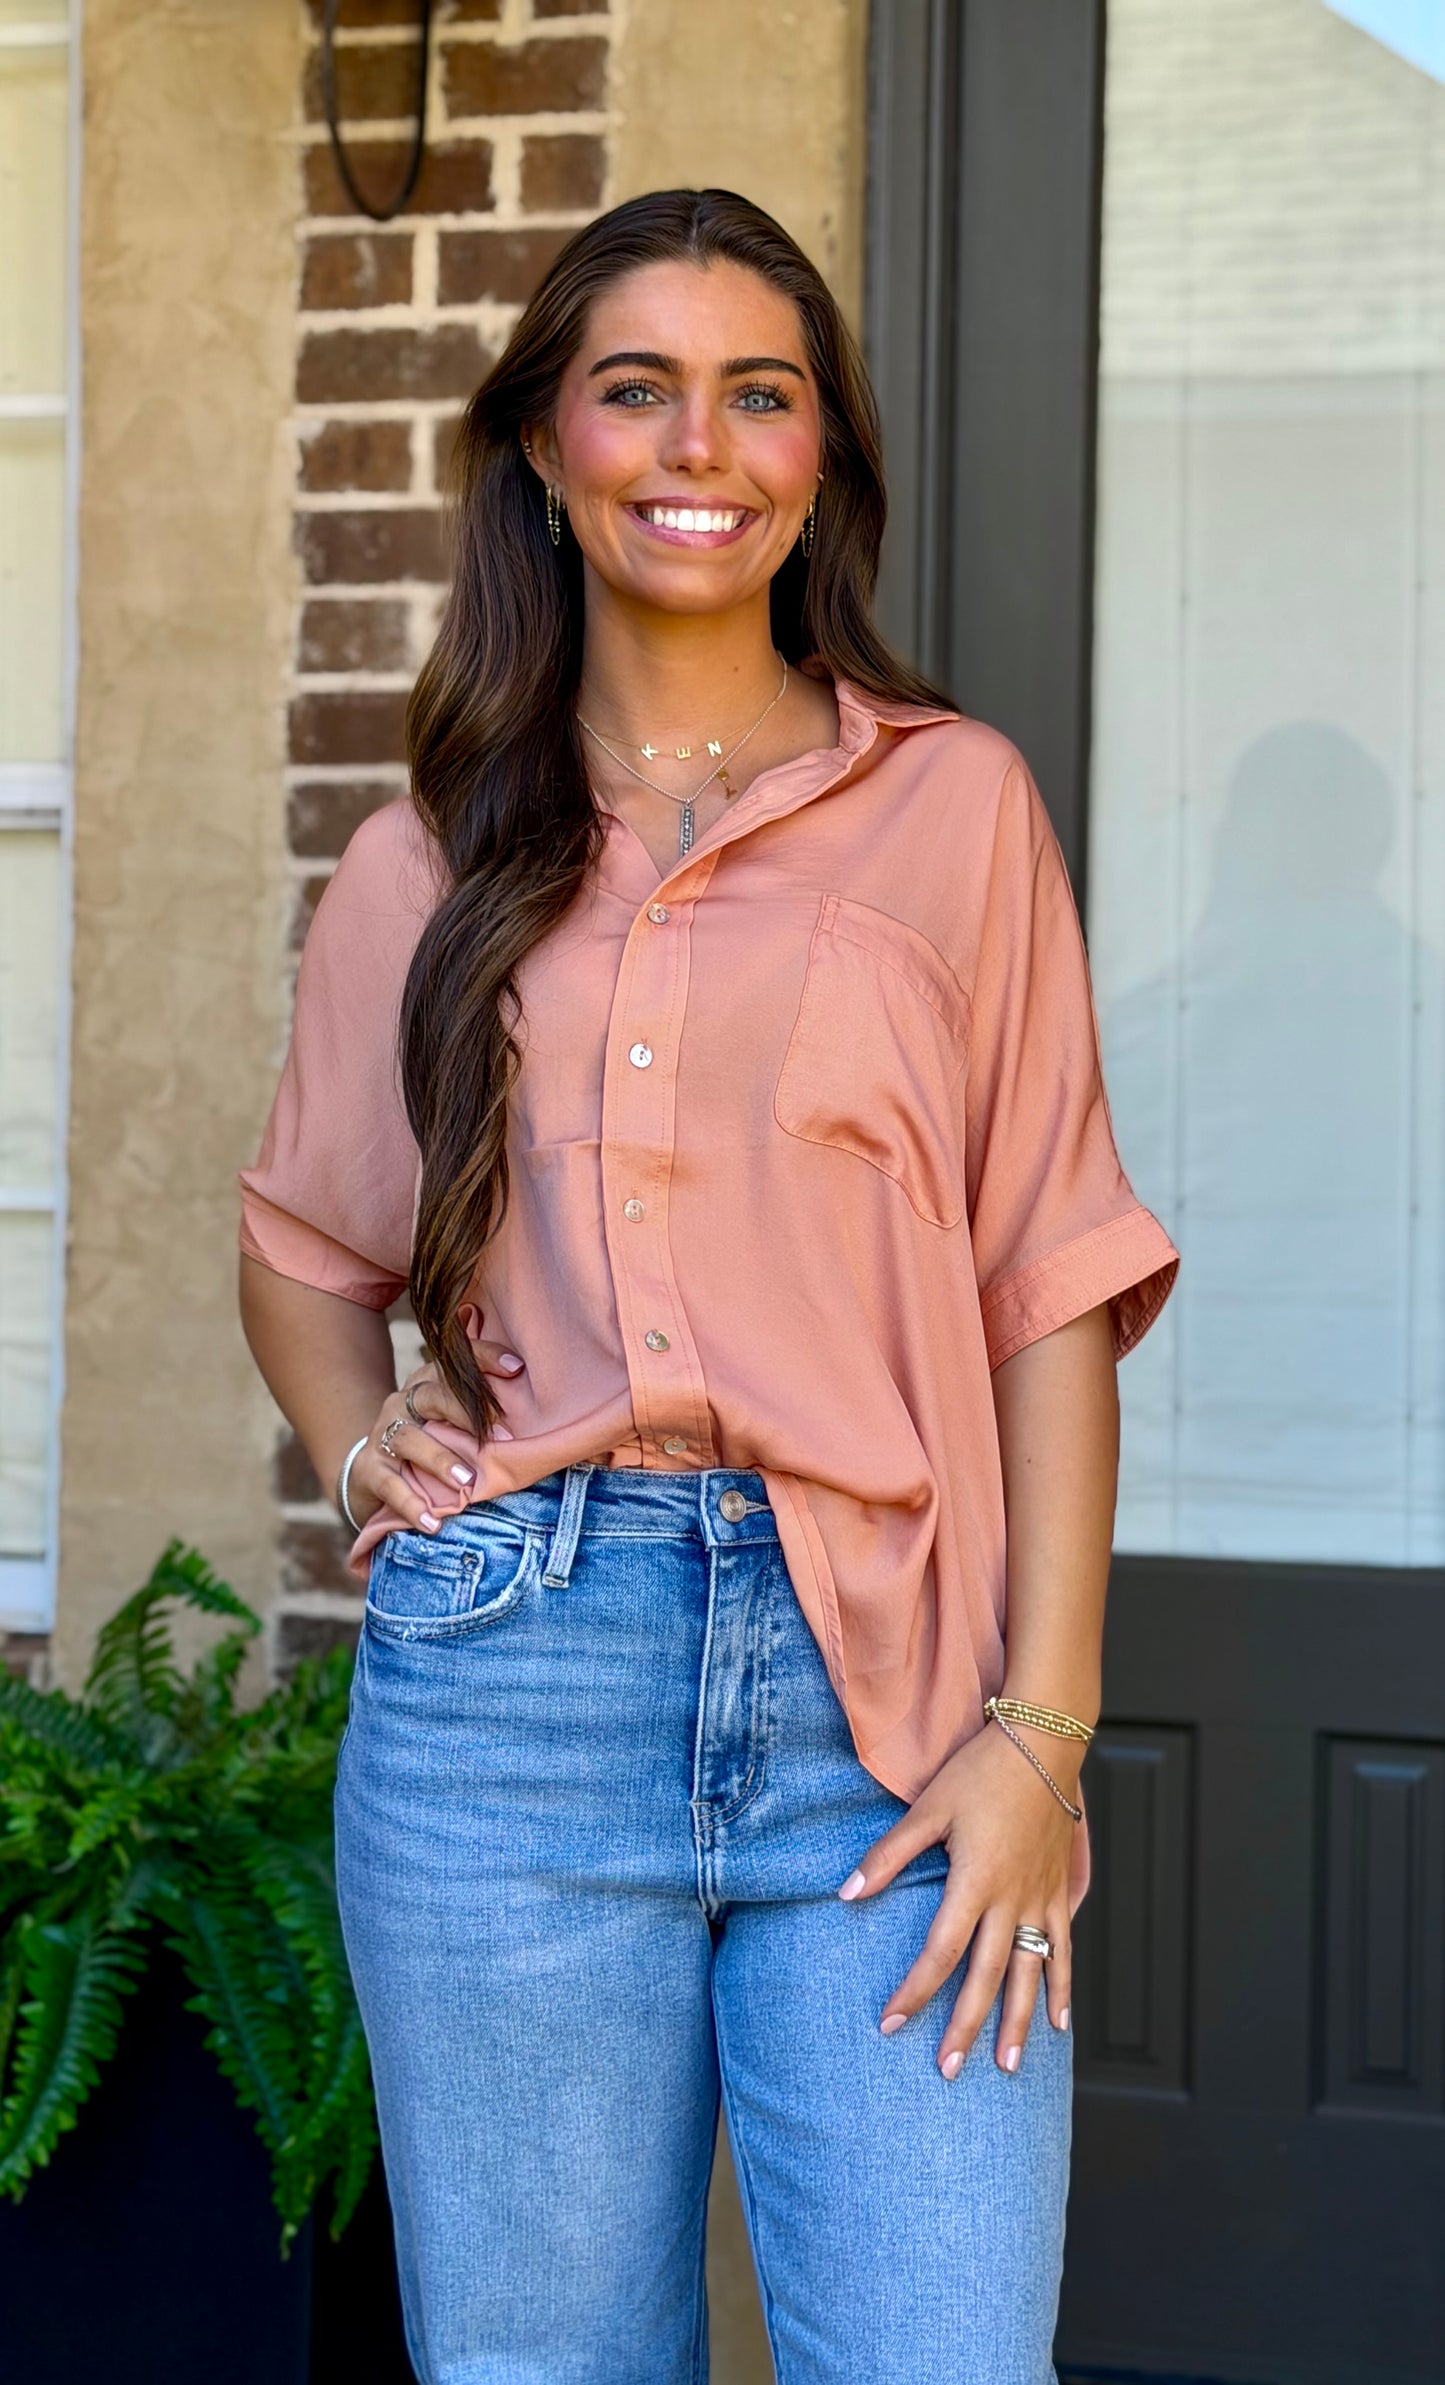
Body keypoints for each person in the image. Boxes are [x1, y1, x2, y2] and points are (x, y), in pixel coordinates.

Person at [239, 188, 1177, 2385]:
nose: (700, 445)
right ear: (545, 445)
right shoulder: (422, 855)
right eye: (636, 388)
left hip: (896, 1698)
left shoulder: (955, 812)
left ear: (820, 456)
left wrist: (1043, 1730)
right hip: (510, 1696)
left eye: (760, 394)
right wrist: (360, 1448)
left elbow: (1050, 1285)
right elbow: (302, 1242)